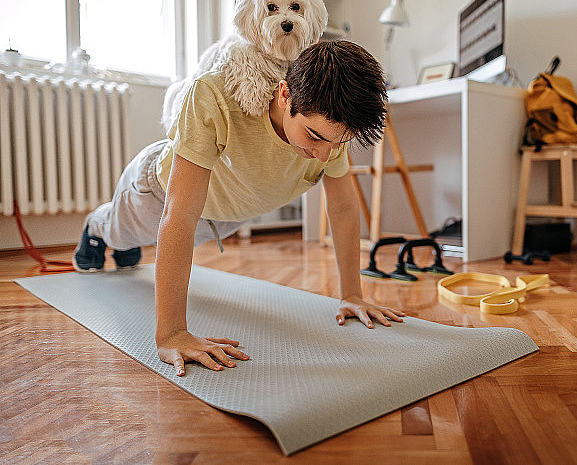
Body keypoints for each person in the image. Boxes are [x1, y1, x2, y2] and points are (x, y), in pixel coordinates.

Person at [73, 40, 405, 376]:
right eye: (314, 136)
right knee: (121, 230)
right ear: (284, 94)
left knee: (134, 246)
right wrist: (172, 334)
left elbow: (344, 209)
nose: (324, 155)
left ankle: (125, 248)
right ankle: (95, 228)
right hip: (156, 194)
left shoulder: (330, 134)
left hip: (223, 216)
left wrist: (352, 294)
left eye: (338, 143)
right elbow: (179, 213)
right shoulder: (214, 97)